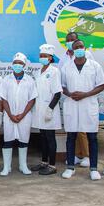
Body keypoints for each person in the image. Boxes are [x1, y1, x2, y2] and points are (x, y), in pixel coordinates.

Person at [61, 40, 104, 180]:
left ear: (85, 48)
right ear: (72, 50)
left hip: (88, 105)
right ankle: (70, 168)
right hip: (72, 104)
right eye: (76, 48)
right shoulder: (66, 67)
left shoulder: (94, 66)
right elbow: (62, 86)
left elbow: (102, 85)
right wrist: (70, 94)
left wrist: (85, 94)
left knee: (92, 137)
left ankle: (93, 169)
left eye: (80, 47)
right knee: (71, 137)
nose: (78, 49)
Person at [58, 32, 95, 168]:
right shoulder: (63, 57)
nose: (70, 42)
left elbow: (91, 76)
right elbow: (61, 78)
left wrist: (83, 94)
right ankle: (74, 155)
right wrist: (68, 93)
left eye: (72, 40)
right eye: (68, 40)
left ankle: (86, 155)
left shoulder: (87, 55)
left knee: (83, 129)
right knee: (71, 129)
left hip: (84, 97)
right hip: (69, 97)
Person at [0, 53, 37, 176]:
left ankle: (23, 165)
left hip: (24, 116)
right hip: (10, 116)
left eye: (20, 63)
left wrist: (22, 114)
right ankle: (6, 167)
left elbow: (32, 99)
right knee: (8, 140)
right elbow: (3, 98)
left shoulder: (29, 80)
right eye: (15, 63)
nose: (17, 65)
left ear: (24, 65)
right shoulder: (6, 79)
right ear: (12, 65)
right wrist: (10, 114)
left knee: (23, 140)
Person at [31, 44, 62, 175]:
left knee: (50, 138)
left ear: (50, 58)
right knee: (42, 137)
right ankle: (44, 162)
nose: (42, 57)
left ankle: (53, 165)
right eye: (41, 55)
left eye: (45, 56)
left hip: (49, 110)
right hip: (39, 109)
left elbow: (57, 93)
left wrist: (50, 109)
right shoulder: (38, 72)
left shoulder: (54, 71)